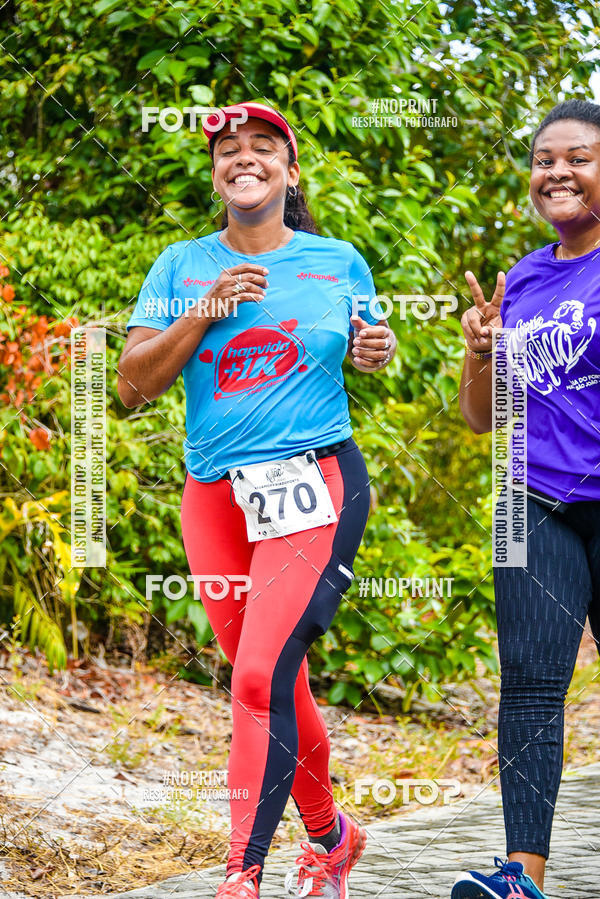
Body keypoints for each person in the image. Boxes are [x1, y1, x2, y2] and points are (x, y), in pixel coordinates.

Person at [117, 101, 396, 899]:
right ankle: (333, 837)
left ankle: (241, 875)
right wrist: (206, 310)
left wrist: (378, 345)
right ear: (215, 173)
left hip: (316, 487)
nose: (244, 159)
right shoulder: (180, 265)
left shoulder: (337, 260)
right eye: (228, 150)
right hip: (215, 499)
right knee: (274, 678)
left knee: (255, 677)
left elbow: (370, 342)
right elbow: (133, 386)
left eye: (263, 148)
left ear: (290, 170)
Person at [452, 98, 600, 899]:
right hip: (529, 497)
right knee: (531, 683)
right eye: (545, 159)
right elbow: (483, 416)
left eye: (577, 157)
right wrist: (481, 348)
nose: (558, 172)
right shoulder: (528, 277)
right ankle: (522, 878)